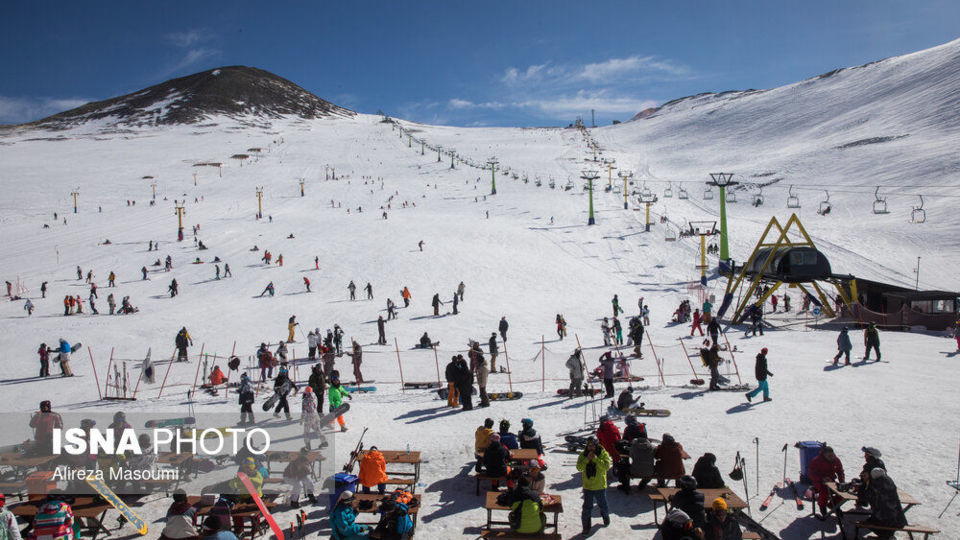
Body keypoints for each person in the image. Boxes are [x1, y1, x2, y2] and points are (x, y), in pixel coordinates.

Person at [577, 437, 611, 535]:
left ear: (596, 445)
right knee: (587, 508)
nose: (591, 448)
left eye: (592, 446)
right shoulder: (583, 455)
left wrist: (596, 459)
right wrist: (587, 459)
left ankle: (605, 517)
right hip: (588, 486)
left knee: (603, 504)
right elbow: (579, 467)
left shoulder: (603, 453)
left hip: (600, 486)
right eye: (589, 446)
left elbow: (606, 466)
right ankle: (586, 527)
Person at [859, 468, 907, 538]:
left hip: (884, 520)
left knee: (868, 522)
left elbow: (864, 499)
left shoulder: (875, 485)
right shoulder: (890, 484)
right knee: (879, 520)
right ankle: (886, 537)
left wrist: (863, 485)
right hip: (899, 520)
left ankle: (885, 537)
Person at [808, 445, 845, 517]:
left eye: (832, 455)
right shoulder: (816, 461)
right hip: (819, 482)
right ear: (824, 455)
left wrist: (842, 481)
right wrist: (822, 478)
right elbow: (811, 474)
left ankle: (834, 505)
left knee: (842, 490)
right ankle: (822, 507)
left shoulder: (835, 460)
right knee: (824, 491)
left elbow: (840, 471)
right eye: (829, 456)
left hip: (831, 481)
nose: (831, 457)